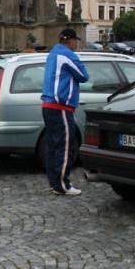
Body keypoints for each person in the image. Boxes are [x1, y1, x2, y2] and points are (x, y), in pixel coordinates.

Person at [41, 29, 90, 196]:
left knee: (53, 146)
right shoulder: (67, 54)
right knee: (67, 146)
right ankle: (62, 185)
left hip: (48, 105)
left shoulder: (53, 52)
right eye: (75, 40)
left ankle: (54, 182)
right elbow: (84, 75)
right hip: (61, 106)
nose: (76, 44)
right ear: (69, 41)